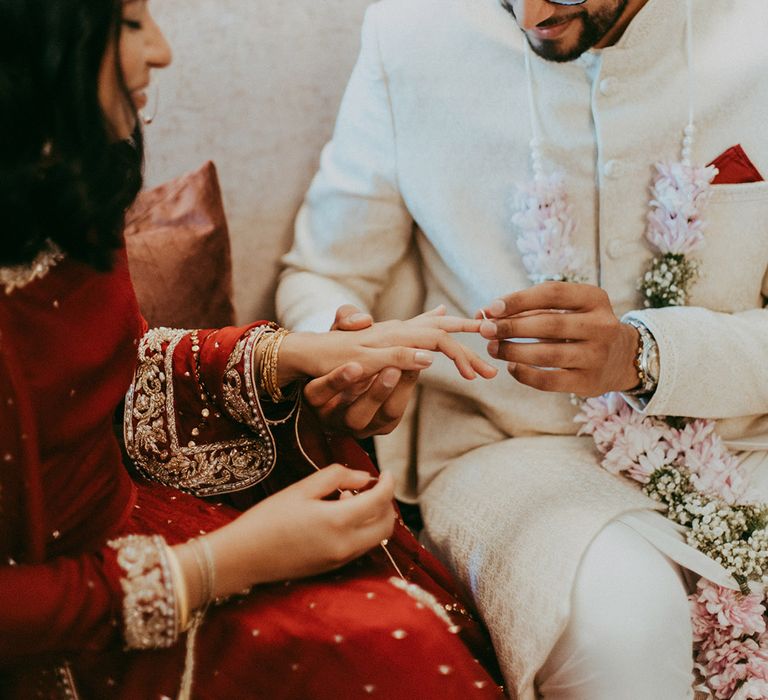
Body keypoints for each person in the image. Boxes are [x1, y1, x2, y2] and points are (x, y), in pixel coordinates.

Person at [0, 0, 506, 697]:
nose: (162, 50)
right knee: (390, 651)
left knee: (399, 618)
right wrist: (222, 563)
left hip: (138, 535)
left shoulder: (60, 176)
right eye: (129, 23)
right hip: (70, 628)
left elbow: (107, 379)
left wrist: (290, 357)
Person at [277, 0, 768, 697]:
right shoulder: (413, 33)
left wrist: (645, 354)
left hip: (746, 441)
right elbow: (324, 273)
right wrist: (353, 354)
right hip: (507, 451)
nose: (532, 11)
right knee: (625, 622)